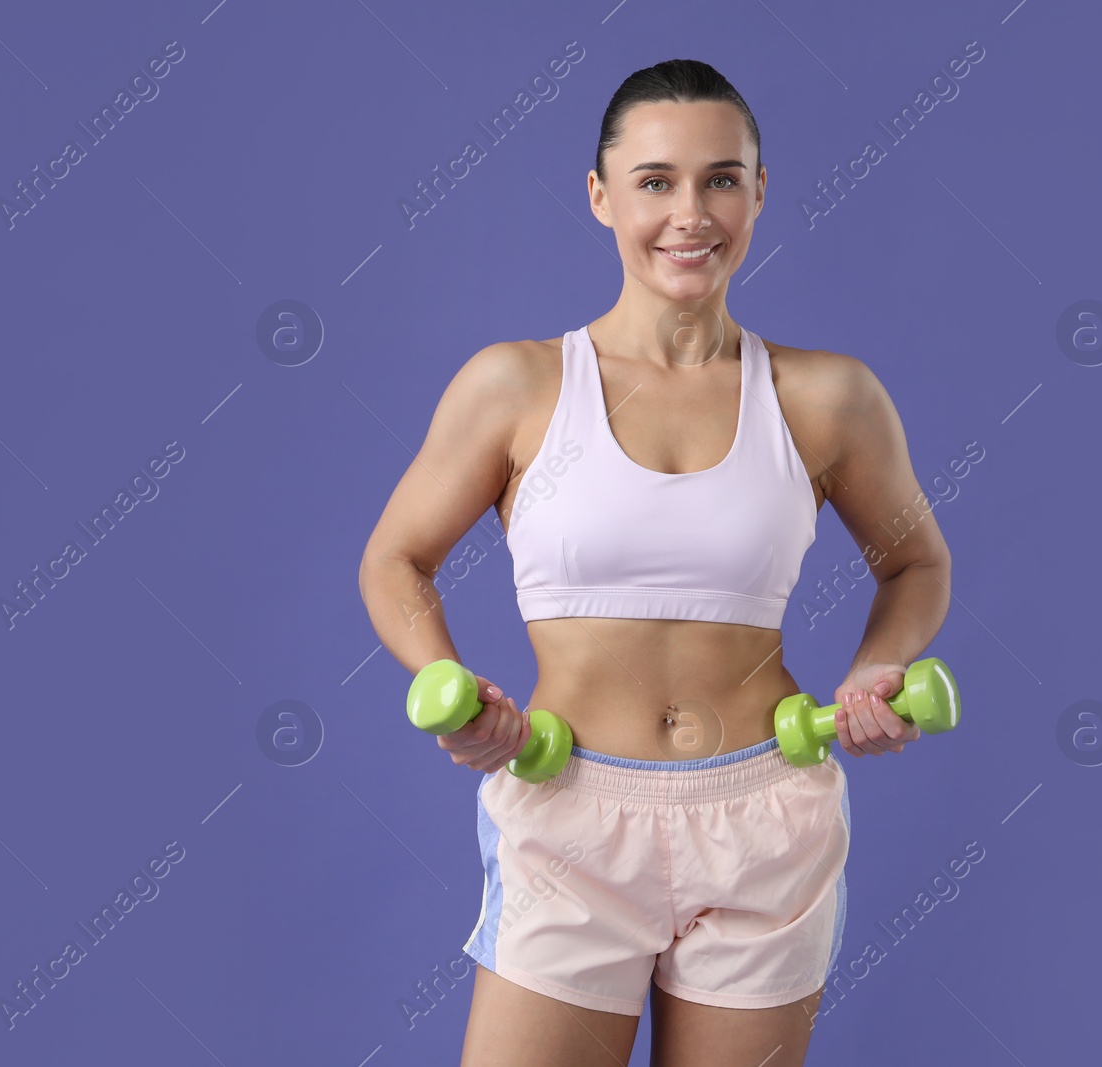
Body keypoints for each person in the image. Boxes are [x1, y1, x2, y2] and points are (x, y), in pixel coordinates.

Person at [358, 58, 952, 1067]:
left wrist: (869, 673)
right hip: (568, 812)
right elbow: (396, 558)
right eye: (655, 181)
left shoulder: (827, 396)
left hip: (768, 816)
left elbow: (916, 566)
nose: (691, 212)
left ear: (759, 191)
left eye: (722, 178)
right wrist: (445, 685)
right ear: (600, 197)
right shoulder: (516, 384)